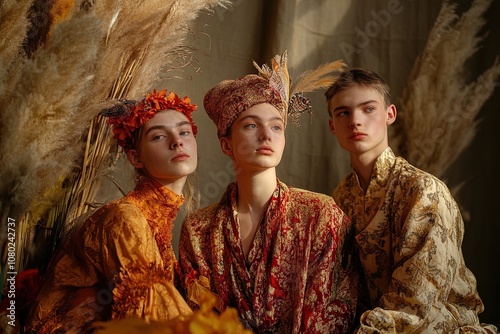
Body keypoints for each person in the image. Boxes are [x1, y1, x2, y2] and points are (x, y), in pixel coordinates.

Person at [178, 51, 357, 334]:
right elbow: (195, 318)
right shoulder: (199, 230)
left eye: (276, 126)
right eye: (251, 125)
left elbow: (334, 314)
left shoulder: (322, 215)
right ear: (226, 145)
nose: (266, 135)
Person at [325, 67, 497, 333]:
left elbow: (418, 303)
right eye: (343, 112)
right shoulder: (341, 197)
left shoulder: (423, 191)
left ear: (389, 114)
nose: (355, 121)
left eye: (368, 109)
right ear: (332, 126)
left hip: (436, 326)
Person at [25, 88, 199, 334]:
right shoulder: (125, 217)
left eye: (184, 131)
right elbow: (151, 313)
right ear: (135, 158)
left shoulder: (157, 220)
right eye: (158, 137)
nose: (177, 141)